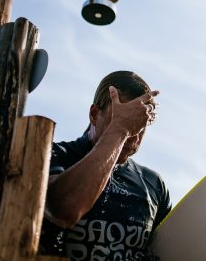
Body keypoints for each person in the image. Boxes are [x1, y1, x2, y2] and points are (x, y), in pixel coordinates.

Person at [40, 71, 171, 260]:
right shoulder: (54, 155)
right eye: (122, 117)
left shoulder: (153, 184)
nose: (133, 133)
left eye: (139, 123)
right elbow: (64, 210)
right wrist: (120, 128)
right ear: (94, 114)